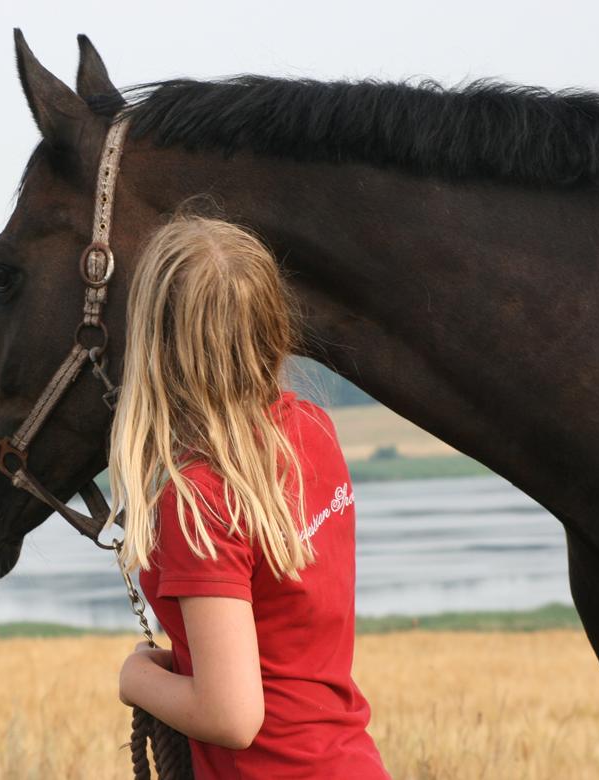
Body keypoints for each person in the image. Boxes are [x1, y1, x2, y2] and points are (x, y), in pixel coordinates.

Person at [107, 212, 389, 778]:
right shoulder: (312, 431)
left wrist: (136, 679)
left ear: (156, 348)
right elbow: (282, 631)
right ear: (272, 326)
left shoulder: (199, 503)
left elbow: (232, 717)